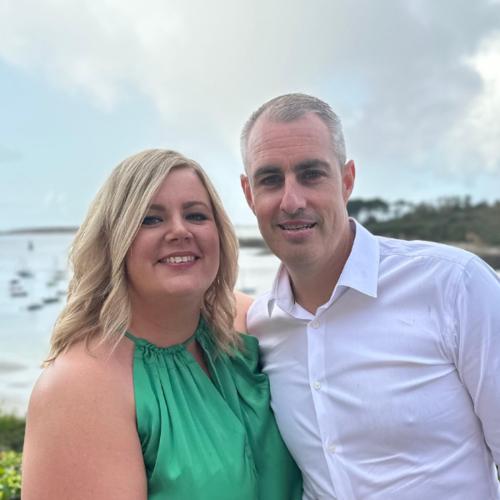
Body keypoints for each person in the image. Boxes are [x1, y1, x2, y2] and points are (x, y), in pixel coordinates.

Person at [239, 93, 500, 499]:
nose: (292, 201)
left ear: (347, 181)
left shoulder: (454, 286)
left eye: (311, 174)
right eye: (270, 179)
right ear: (248, 194)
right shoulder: (261, 328)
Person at [22, 149, 302, 500]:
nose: (180, 231)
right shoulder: (78, 388)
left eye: (196, 215)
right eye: (151, 219)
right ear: (114, 240)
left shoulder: (250, 322)